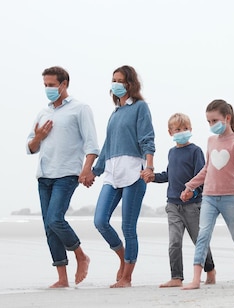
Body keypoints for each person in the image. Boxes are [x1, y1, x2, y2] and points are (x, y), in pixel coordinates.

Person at [26, 66, 98, 288]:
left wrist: (86, 169)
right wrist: (38, 136)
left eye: (51, 85)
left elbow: (91, 144)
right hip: (44, 175)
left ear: (64, 84)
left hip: (67, 173)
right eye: (45, 85)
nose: (48, 89)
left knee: (55, 219)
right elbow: (31, 147)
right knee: (49, 227)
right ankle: (62, 278)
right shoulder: (43, 113)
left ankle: (81, 255)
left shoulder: (80, 109)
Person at [85, 65, 155, 288]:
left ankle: (127, 278)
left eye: (120, 80)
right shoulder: (115, 114)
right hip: (112, 173)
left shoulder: (140, 107)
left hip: (134, 172)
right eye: (113, 80)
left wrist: (150, 167)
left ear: (130, 83)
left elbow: (147, 138)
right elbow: (108, 146)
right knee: (100, 221)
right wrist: (93, 171)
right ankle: (123, 257)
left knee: (128, 228)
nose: (115, 84)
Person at [181, 99, 234, 290]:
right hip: (209, 197)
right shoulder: (210, 141)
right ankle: (196, 279)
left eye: (214, 121)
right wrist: (190, 187)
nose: (211, 125)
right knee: (203, 235)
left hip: (230, 198)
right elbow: (207, 169)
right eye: (208, 122)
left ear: (227, 118)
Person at [147, 113, 217, 288]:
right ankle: (176, 277)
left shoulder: (195, 151)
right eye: (177, 129)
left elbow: (202, 177)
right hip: (172, 205)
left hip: (193, 205)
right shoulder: (172, 153)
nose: (182, 132)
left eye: (185, 128)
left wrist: (192, 193)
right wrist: (152, 177)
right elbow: (169, 175)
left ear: (191, 129)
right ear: (170, 132)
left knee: (199, 241)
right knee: (174, 242)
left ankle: (210, 269)